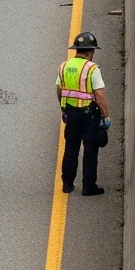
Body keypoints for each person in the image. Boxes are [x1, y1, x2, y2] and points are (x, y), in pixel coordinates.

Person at [56, 31, 110, 196]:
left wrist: (63, 109)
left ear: (77, 50)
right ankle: (88, 186)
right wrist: (106, 116)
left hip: (71, 113)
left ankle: (67, 183)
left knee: (71, 148)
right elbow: (99, 96)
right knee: (90, 151)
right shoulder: (92, 69)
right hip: (89, 115)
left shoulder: (64, 66)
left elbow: (59, 90)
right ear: (90, 51)